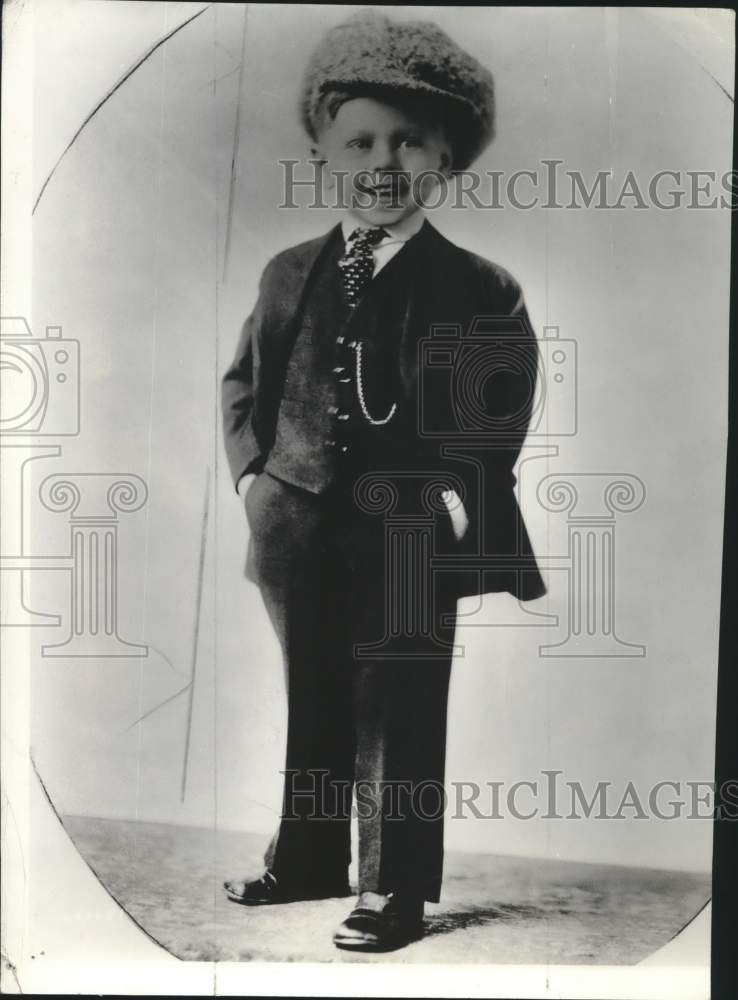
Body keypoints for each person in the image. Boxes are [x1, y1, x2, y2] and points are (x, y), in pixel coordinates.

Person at [221, 8, 545, 952]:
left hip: (410, 524)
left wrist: (454, 492)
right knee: (312, 684)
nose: (383, 160)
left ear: (447, 157)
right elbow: (246, 380)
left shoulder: (480, 284)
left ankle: (392, 888)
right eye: (359, 139)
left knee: (397, 700)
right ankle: (308, 860)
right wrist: (254, 478)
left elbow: (501, 399)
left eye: (411, 141)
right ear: (324, 152)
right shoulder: (289, 271)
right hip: (294, 514)